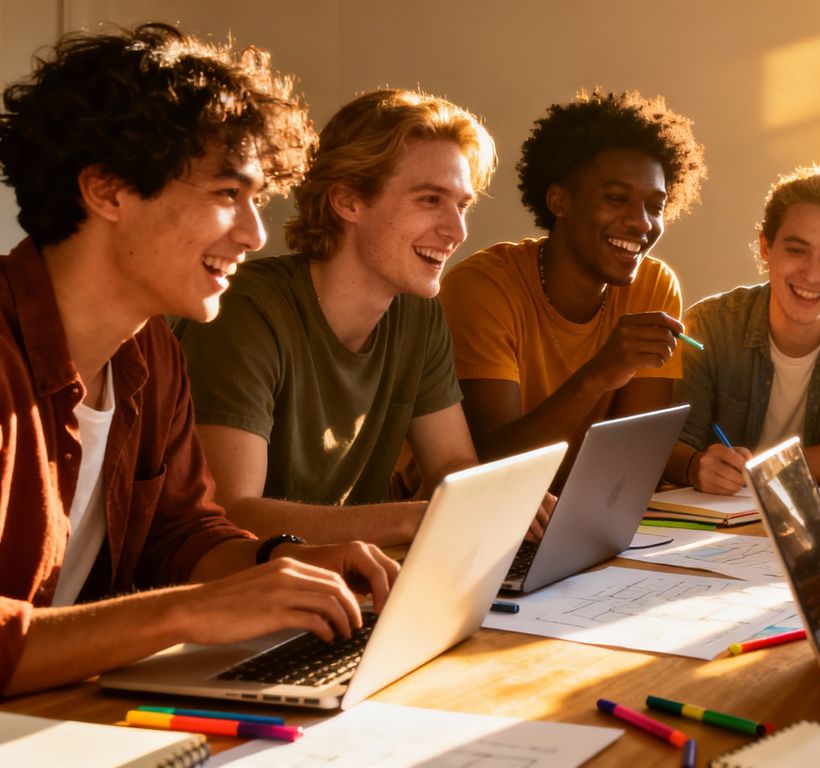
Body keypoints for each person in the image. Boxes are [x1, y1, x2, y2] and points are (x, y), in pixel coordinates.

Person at [0, 23, 396, 698]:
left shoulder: (150, 345)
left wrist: (284, 562)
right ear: (108, 191)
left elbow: (182, 534)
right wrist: (188, 612)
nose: (255, 234)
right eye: (226, 195)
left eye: (255, 199)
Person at [176, 90, 493, 547]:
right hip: (256, 596)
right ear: (347, 201)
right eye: (430, 200)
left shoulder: (418, 313)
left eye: (461, 205)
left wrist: (500, 499)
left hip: (359, 585)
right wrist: (416, 520)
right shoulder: (246, 310)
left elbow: (452, 468)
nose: (457, 231)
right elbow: (230, 515)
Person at [439, 89, 706, 465]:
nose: (641, 222)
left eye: (654, 206)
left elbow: (629, 459)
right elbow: (492, 463)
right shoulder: (482, 287)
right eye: (616, 198)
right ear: (559, 201)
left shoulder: (654, 286)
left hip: (577, 512)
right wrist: (600, 374)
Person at [665, 165, 820, 493]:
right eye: (796, 250)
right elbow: (676, 444)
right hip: (718, 519)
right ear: (766, 248)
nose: (812, 273)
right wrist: (695, 468)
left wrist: (755, 470)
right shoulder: (710, 323)